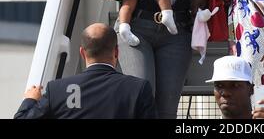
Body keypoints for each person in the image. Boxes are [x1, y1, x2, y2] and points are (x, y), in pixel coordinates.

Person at [14, 23, 157, 119]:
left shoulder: (56, 90)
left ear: (82, 53)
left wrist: (30, 99)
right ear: (116, 52)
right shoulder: (138, 88)